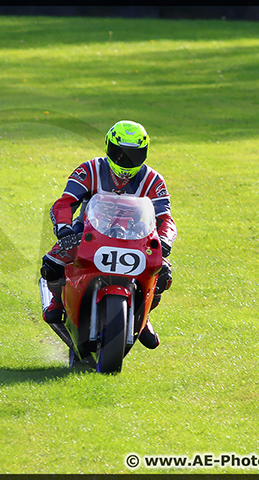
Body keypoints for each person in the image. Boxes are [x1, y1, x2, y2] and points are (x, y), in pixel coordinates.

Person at [40, 120, 177, 349]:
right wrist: (63, 229)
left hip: (137, 237)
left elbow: (165, 219)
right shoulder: (89, 169)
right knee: (51, 265)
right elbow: (65, 203)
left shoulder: (154, 181)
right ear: (108, 147)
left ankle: (143, 315)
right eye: (120, 154)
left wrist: (164, 240)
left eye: (134, 155)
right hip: (86, 233)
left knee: (163, 274)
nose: (126, 162)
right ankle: (57, 300)